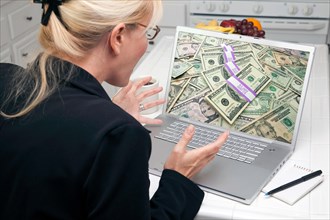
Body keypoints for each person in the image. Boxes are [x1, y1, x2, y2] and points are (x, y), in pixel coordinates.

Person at [0, 0, 229, 219]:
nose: (145, 43)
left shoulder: (4, 76)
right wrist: (178, 179)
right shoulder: (118, 135)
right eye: (146, 33)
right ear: (118, 37)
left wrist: (108, 114)